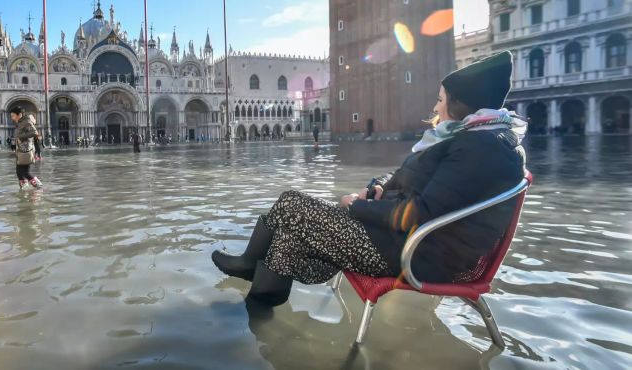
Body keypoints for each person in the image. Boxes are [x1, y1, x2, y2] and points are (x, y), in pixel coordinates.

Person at [211, 52, 526, 307]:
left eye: (442, 100)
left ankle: (250, 272)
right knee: (287, 239)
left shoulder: (480, 147)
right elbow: (411, 179)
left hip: (415, 256)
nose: (435, 107)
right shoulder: (475, 137)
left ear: (462, 104)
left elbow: (421, 213)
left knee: (292, 204)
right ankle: (260, 314)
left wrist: (357, 207)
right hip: (405, 243)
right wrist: (376, 188)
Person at [9, 106, 43, 189]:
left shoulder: (26, 121)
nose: (12, 118)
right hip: (20, 150)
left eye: (13, 116)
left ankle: (39, 186)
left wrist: (21, 137)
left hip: (26, 150)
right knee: (19, 172)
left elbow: (35, 133)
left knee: (24, 172)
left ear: (19, 114)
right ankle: (23, 190)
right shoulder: (20, 122)